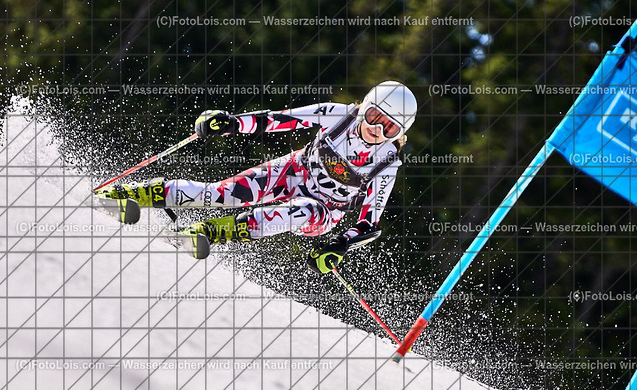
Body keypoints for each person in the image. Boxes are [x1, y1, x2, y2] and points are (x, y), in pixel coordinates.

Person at [95, 81, 417, 274]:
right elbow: (281, 120)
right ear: (365, 107)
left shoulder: (387, 163)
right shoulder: (339, 115)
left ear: (399, 133)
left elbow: (369, 222)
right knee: (222, 194)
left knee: (297, 211)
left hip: (324, 210)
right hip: (294, 171)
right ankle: (132, 194)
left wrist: (339, 245)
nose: (377, 130)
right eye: (374, 117)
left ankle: (207, 233)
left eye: (389, 128)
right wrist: (232, 123)